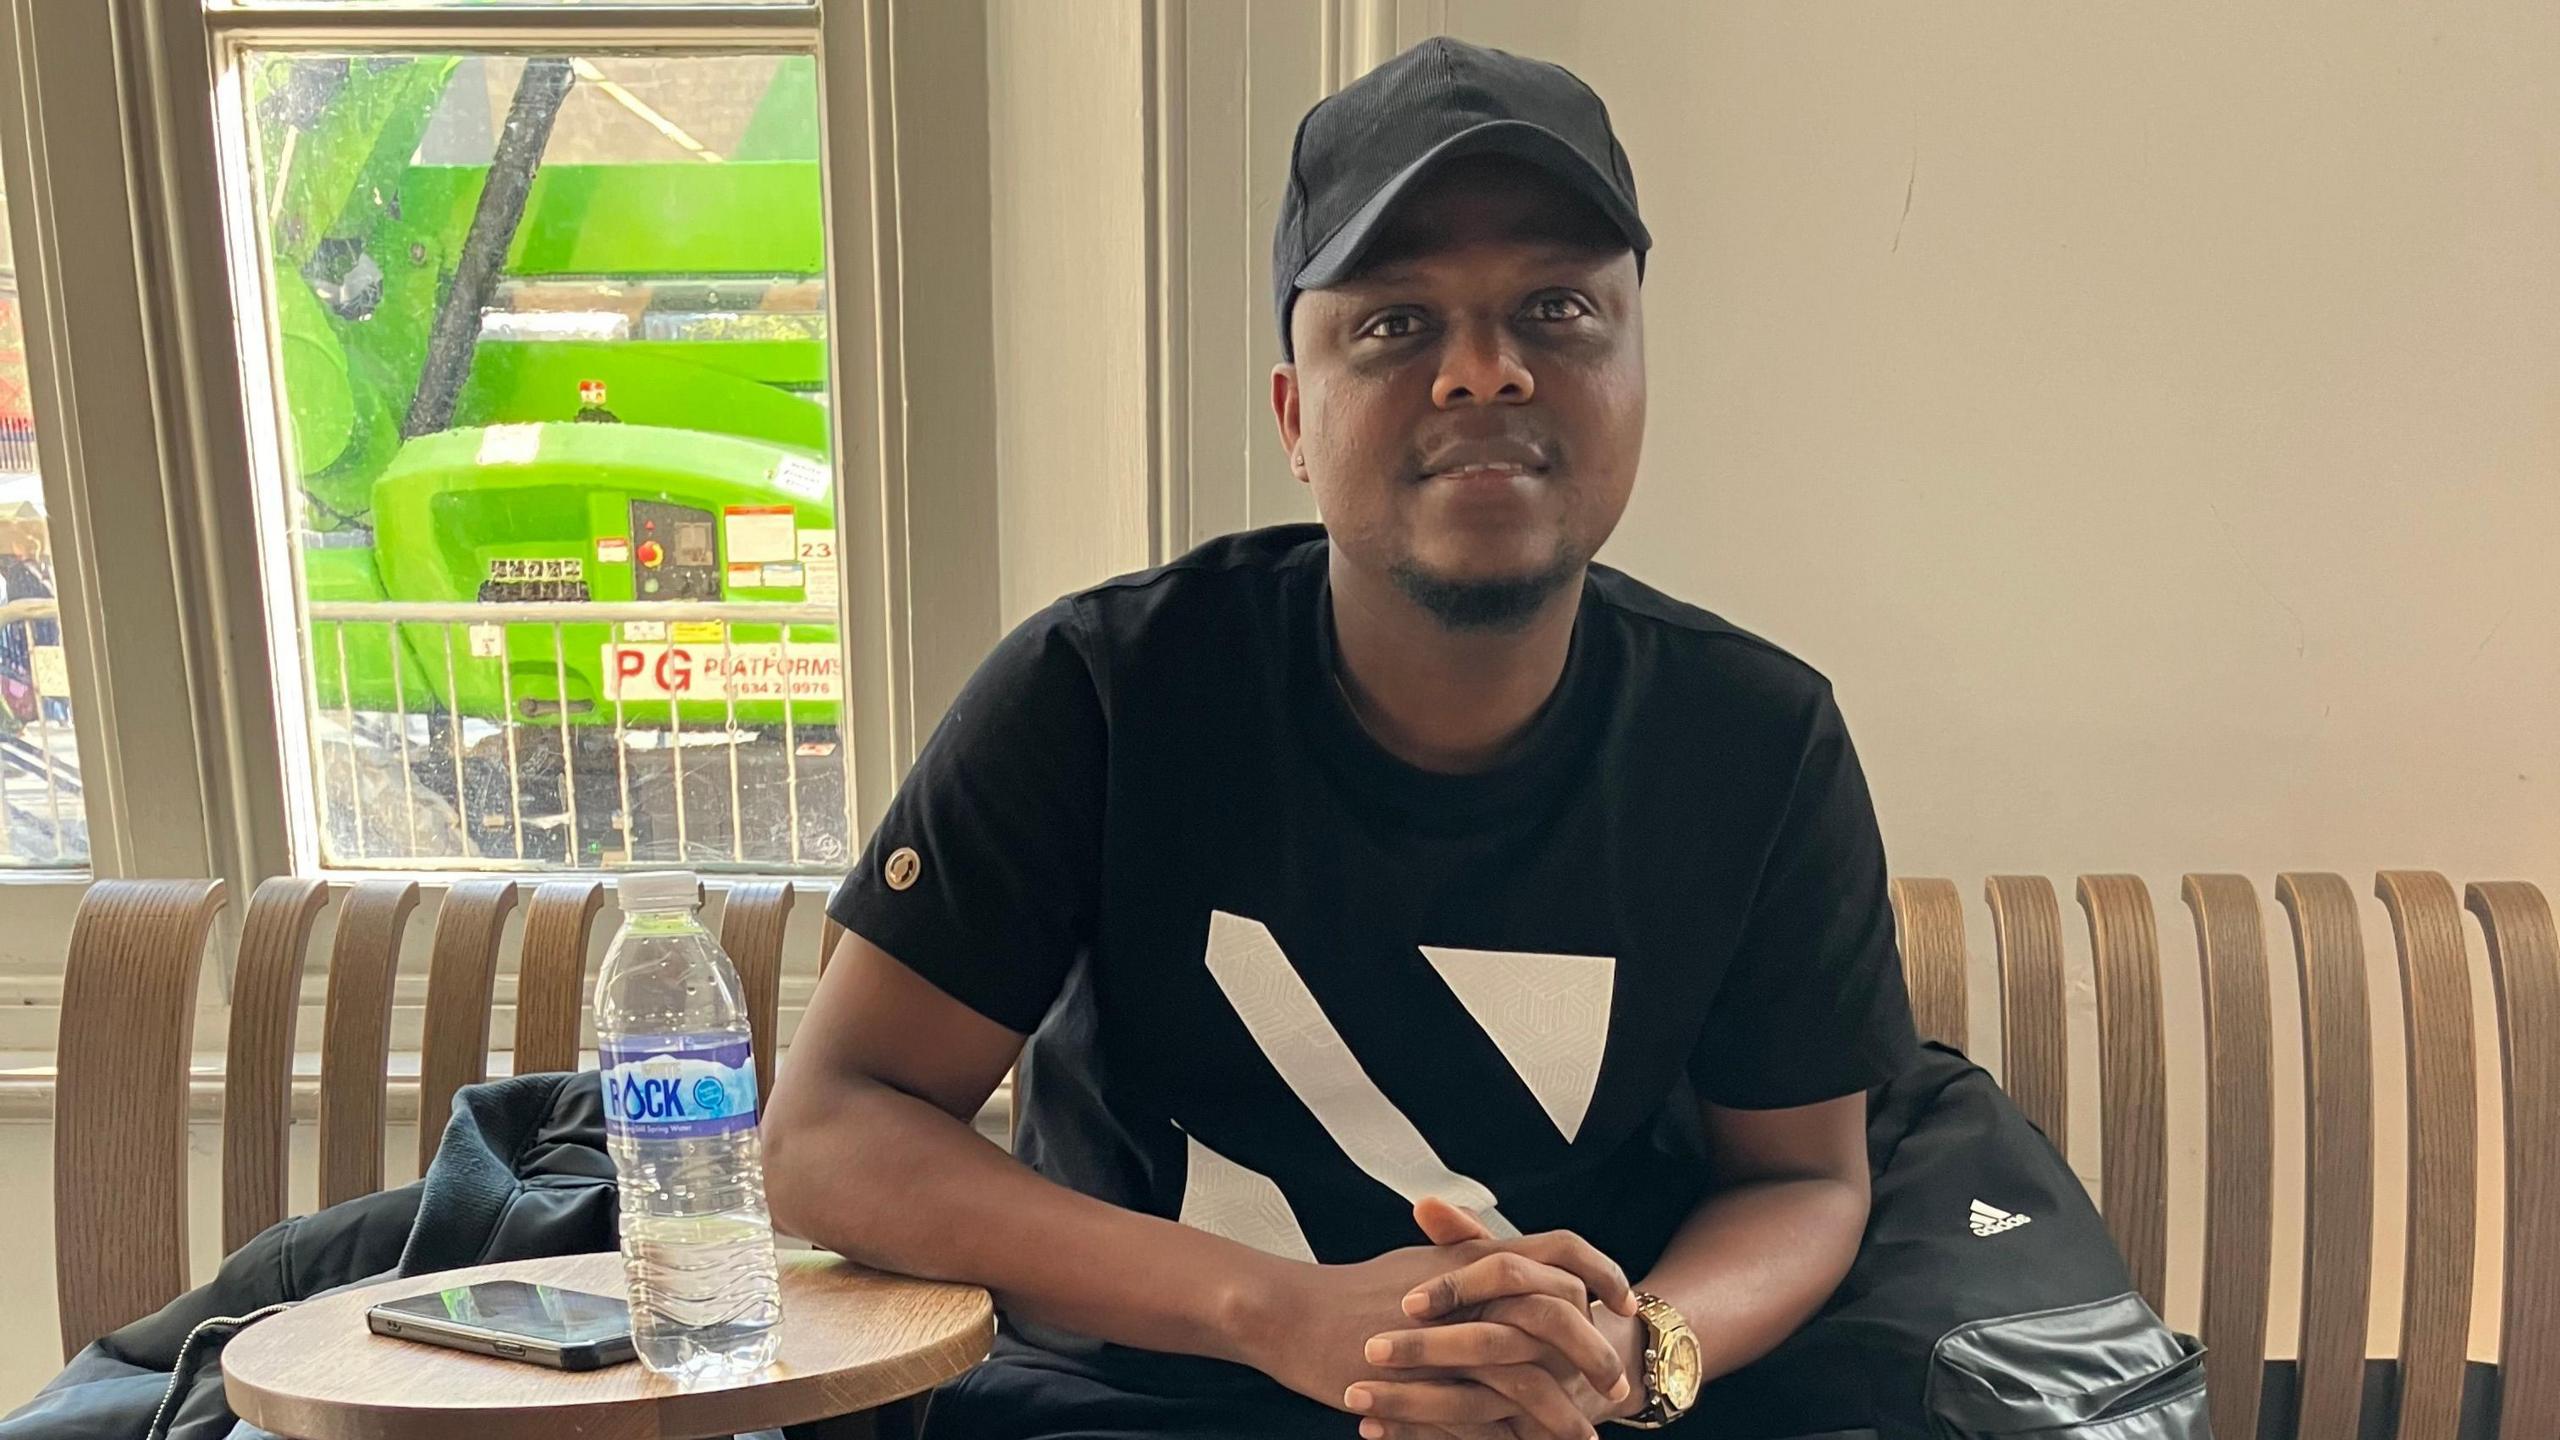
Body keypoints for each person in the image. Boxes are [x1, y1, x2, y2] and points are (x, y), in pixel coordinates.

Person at [766, 38, 1917, 1440]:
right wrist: (1279, 1310)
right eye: (1394, 323)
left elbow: (1805, 1180)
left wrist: (1635, 1351)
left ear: (1638, 376)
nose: (1484, 373)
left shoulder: (1755, 740)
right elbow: (831, 1132)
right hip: (1142, 1400)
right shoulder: (1102, 693)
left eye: (1556, 309)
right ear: (1296, 417)